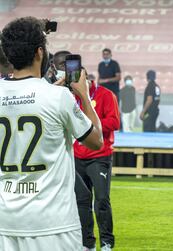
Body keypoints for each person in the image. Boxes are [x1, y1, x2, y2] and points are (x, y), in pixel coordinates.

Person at [0, 16, 103, 250]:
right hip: (53, 225)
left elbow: (27, 99)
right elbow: (96, 140)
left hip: (5, 221)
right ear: (39, 53)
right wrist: (84, 94)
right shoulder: (59, 98)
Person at [53, 50, 120, 250]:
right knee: (81, 201)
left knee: (101, 200)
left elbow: (114, 122)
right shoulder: (68, 97)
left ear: (85, 77)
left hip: (100, 156)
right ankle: (87, 243)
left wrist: (87, 124)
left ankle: (107, 242)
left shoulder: (106, 95)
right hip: (77, 157)